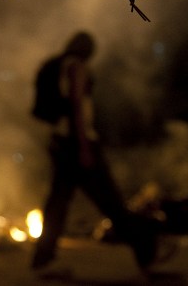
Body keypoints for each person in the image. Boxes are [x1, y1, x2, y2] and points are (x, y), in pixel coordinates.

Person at [31, 31, 162, 274]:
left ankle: (43, 259)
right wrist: (83, 147)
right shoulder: (77, 67)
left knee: (57, 204)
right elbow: (78, 107)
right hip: (77, 142)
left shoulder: (57, 66)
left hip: (60, 142)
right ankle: (146, 250)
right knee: (111, 202)